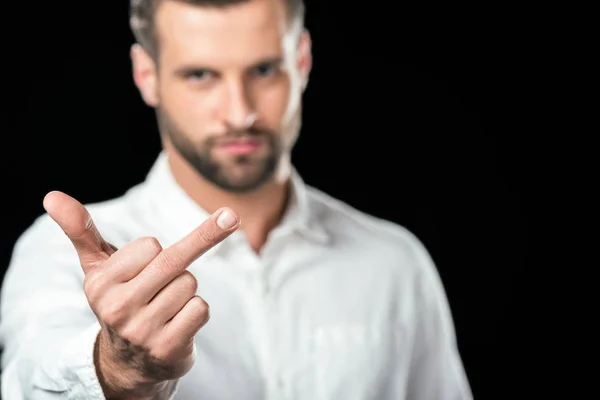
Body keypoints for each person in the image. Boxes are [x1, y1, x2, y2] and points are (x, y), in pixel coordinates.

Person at [0, 0, 473, 398]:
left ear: (302, 61)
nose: (240, 113)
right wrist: (117, 370)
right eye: (201, 74)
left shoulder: (394, 262)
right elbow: (30, 379)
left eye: (265, 69)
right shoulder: (62, 254)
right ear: (147, 75)